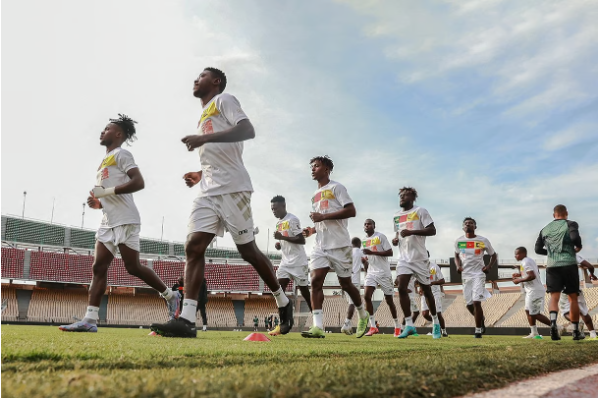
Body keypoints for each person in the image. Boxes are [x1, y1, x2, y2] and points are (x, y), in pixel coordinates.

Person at [150, 68, 293, 338]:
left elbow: (247, 130)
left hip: (234, 189)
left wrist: (203, 138)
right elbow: (220, 155)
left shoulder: (224, 100)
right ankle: (187, 320)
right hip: (208, 191)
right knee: (193, 246)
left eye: (202, 75)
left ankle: (282, 300)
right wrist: (200, 173)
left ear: (216, 82)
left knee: (248, 252)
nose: (195, 79)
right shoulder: (204, 115)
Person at [60, 115, 180, 333]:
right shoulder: (103, 162)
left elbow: (138, 182)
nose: (102, 131)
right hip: (108, 221)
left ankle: (171, 296)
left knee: (132, 267)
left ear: (118, 134)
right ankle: (89, 320)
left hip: (125, 218)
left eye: (107, 128)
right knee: (98, 267)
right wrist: (98, 203)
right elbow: (107, 195)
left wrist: (105, 192)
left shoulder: (121, 154)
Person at [301, 156, 369, 338]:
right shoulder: (314, 196)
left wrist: (322, 217)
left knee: (346, 284)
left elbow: (351, 210)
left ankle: (363, 314)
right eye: (311, 167)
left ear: (327, 169)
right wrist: (311, 231)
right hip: (320, 246)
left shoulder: (337, 187)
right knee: (315, 282)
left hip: (339, 245)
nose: (313, 169)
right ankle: (317, 327)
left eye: (317, 166)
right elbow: (320, 220)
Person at [393, 187, 440, 339]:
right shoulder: (396, 216)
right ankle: (409, 325)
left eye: (405, 195)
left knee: (426, 291)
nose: (402, 197)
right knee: (401, 288)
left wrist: (412, 232)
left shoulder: (420, 211)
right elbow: (399, 235)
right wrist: (395, 240)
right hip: (404, 259)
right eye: (400, 195)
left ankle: (436, 323)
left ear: (413, 197)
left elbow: (432, 230)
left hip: (419, 258)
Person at [534, 204, 585, 341]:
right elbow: (575, 238)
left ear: (553, 215)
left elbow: (538, 249)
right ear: (566, 213)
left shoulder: (545, 229)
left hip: (552, 266)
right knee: (572, 298)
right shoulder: (570, 224)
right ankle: (575, 331)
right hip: (569, 264)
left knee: (554, 297)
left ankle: (552, 324)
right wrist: (578, 247)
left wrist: (551, 252)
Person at [269, 195, 312, 336]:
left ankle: (317, 320)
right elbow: (285, 242)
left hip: (298, 262)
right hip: (285, 262)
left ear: (283, 206)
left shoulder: (292, 219)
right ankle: (283, 323)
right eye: (272, 209)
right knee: (278, 291)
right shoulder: (278, 223)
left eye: (275, 208)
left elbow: (301, 240)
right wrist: (279, 244)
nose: (273, 211)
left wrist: (282, 238)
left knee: (305, 292)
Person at [454, 217, 497, 338]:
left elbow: (493, 255)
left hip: (478, 274)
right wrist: (458, 265)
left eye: (471, 223)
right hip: (466, 275)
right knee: (469, 304)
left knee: (476, 301)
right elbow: (456, 255)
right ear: (463, 227)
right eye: (466, 223)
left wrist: (489, 266)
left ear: (475, 227)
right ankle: (481, 319)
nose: (468, 225)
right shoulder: (459, 241)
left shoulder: (482, 240)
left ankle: (478, 330)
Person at [360, 219, 400, 337]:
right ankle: (373, 326)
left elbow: (390, 252)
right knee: (366, 296)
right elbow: (367, 258)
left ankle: (397, 326)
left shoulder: (380, 237)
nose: (367, 225)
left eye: (369, 224)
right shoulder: (364, 240)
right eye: (365, 224)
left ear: (374, 226)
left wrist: (372, 253)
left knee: (389, 301)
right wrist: (364, 260)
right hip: (371, 273)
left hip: (384, 273)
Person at [512, 247, 551, 339]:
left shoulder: (526, 262)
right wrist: (520, 275)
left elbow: (532, 276)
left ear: (522, 253)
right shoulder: (529, 261)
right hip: (532, 290)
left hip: (535, 290)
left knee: (534, 313)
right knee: (528, 311)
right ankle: (534, 333)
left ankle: (557, 327)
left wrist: (519, 280)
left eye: (516, 254)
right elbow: (534, 273)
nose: (515, 256)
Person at [558, 254, 598, 339]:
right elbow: (590, 266)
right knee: (583, 312)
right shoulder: (573, 255)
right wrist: (592, 274)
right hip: (576, 286)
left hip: (565, 287)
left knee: (565, 312)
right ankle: (593, 334)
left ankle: (576, 323)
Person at [419, 252, 448, 337]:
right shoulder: (419, 268)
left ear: (427, 256)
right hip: (425, 293)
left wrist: (433, 283)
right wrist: (420, 288)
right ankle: (436, 323)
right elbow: (418, 280)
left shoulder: (434, 267)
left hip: (435, 293)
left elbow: (442, 280)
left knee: (438, 313)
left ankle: (444, 331)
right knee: (425, 314)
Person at [341, 238, 364, 335]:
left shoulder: (346, 253)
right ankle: (346, 323)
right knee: (353, 303)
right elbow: (366, 262)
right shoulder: (360, 252)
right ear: (359, 244)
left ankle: (349, 325)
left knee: (351, 303)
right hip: (354, 281)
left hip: (345, 280)